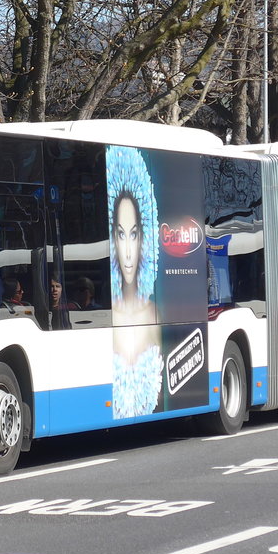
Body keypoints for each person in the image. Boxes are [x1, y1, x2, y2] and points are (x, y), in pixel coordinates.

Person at [107, 146, 162, 418]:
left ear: (143, 237)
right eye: (120, 234)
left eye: (133, 234)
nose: (127, 249)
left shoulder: (153, 313)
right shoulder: (104, 313)